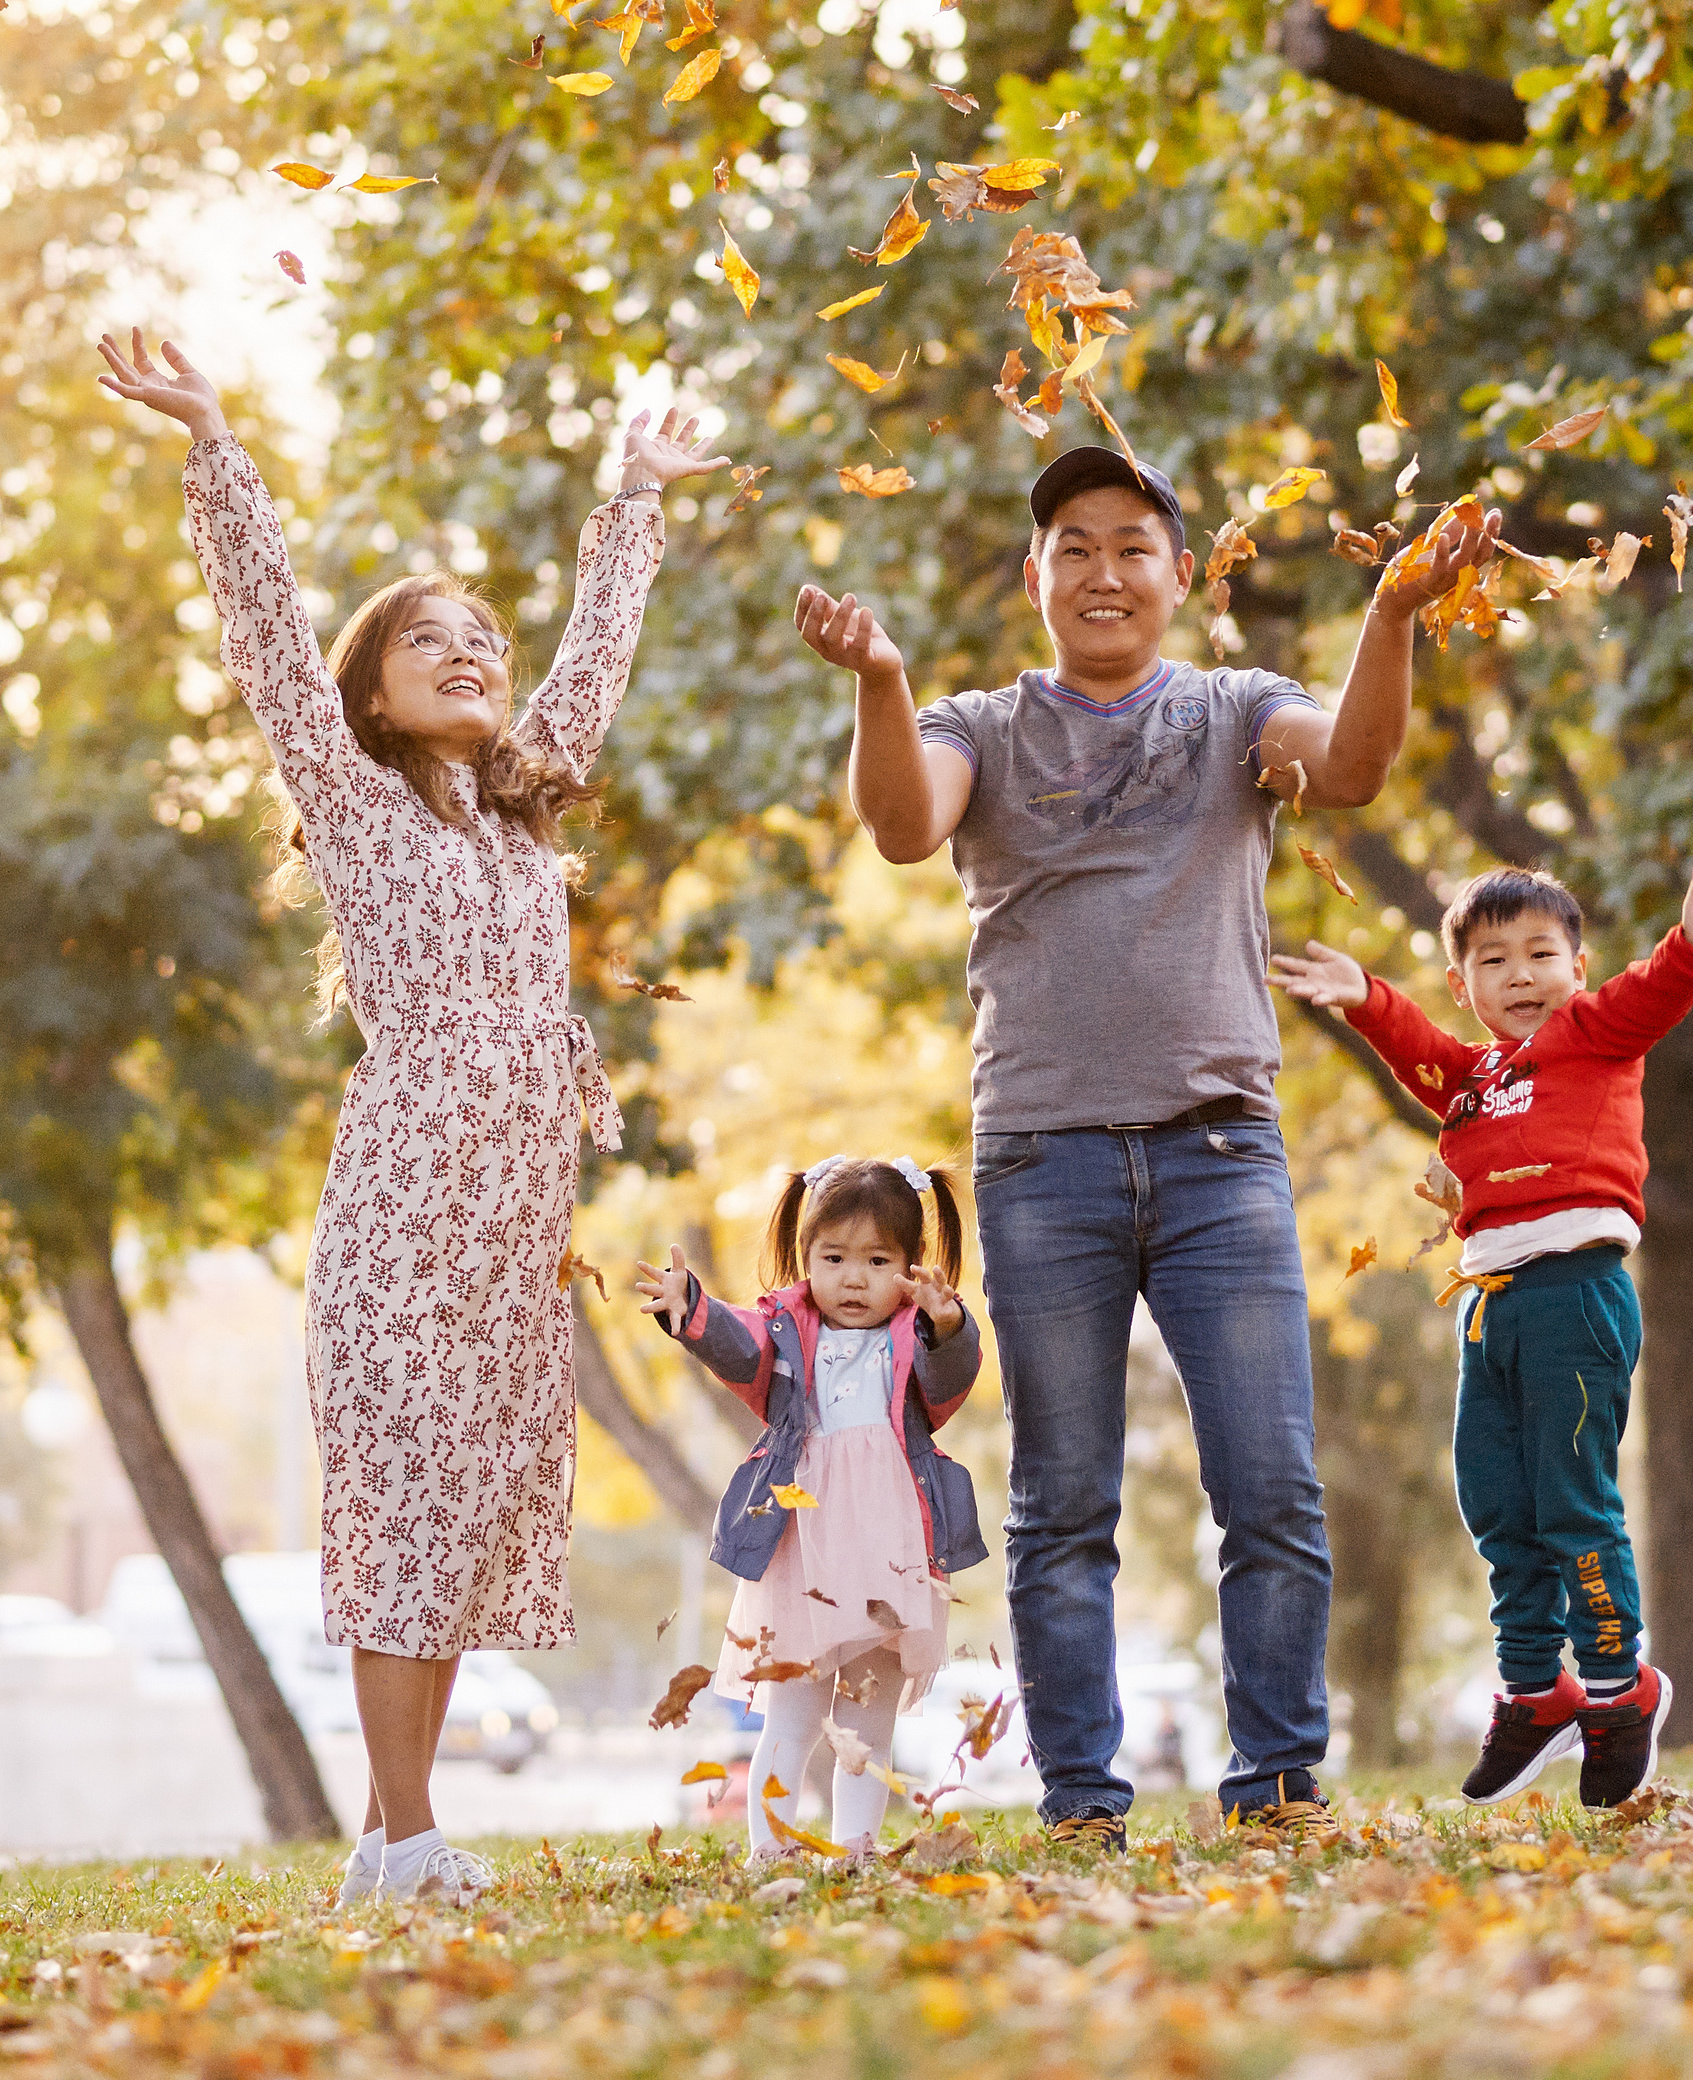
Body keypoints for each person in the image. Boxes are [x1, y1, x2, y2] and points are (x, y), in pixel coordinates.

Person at [97, 328, 728, 1904]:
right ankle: (406, 1833)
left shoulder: (520, 819)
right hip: (402, 1216)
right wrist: (216, 443)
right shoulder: (358, 802)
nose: (469, 653)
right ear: (369, 694)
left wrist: (635, 496)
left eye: (481, 638)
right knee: (401, 1507)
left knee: (466, 1516)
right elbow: (264, 631)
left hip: (515, 1231)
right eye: (426, 640)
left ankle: (396, 1841)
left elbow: (592, 666)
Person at [794, 445, 1500, 1848]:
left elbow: (1354, 768)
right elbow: (901, 824)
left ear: (1182, 574)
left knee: (1270, 1485)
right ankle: (1079, 1800)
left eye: (1132, 547)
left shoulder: (1236, 711)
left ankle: (1278, 1785)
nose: (1103, 571)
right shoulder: (980, 726)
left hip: (1218, 1154)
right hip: (1041, 1157)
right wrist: (879, 678)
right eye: (1074, 546)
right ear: (1035, 577)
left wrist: (1392, 614)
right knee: (1063, 1502)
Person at [1271, 858, 1693, 1807]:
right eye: (1494, 961)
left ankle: (1619, 1687)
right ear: (1463, 984)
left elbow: (1651, 995)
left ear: (1577, 968)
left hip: (1573, 1294)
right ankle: (1537, 1690)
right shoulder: (1472, 1079)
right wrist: (1366, 998)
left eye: (1542, 954)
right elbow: (1422, 1051)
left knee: (1571, 1500)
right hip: (1490, 1305)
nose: (1521, 976)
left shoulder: (1592, 1034)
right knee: (1497, 1502)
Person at [636, 1157, 986, 1859]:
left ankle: (855, 1847)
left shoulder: (917, 1335)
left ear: (910, 1265)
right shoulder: (786, 1330)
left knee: (868, 1720)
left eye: (877, 1261)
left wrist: (948, 1324)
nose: (854, 1279)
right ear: (806, 1258)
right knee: (791, 1717)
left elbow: (950, 1382)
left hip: (888, 1555)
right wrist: (690, 1309)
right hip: (803, 1551)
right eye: (834, 1258)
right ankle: (770, 1848)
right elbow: (737, 1342)